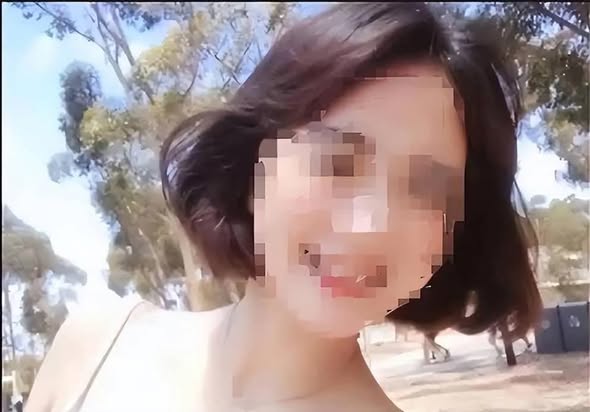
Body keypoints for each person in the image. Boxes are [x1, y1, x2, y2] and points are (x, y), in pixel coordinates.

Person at [25, 3, 542, 412]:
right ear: (253, 163)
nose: (368, 227)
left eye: (425, 191)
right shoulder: (97, 345)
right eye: (336, 161)